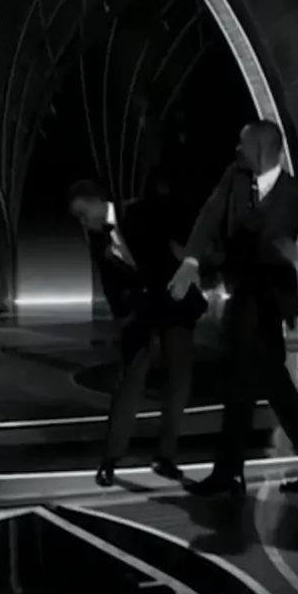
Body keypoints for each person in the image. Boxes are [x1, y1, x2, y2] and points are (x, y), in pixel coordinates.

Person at [167, 120, 298, 496]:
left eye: (242, 144)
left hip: (269, 299)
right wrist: (191, 261)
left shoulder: (296, 194)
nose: (236, 149)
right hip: (243, 294)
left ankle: (233, 472)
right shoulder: (235, 177)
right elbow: (210, 215)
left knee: (246, 380)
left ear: (262, 148)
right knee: (266, 381)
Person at [69, 178, 207, 487]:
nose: (82, 222)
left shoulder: (140, 211)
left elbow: (177, 237)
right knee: (129, 382)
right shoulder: (97, 240)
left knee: (178, 381)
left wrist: (190, 265)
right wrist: (124, 317)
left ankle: (166, 457)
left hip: (173, 302)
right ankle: (110, 460)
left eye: (83, 214)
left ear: (97, 202)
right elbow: (109, 283)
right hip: (140, 313)